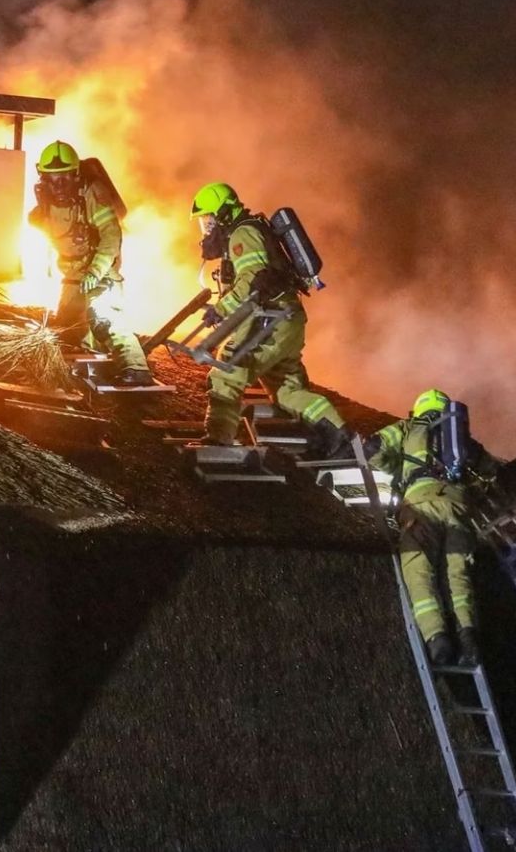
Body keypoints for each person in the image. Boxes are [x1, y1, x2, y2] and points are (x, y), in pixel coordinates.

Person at [191, 181, 348, 454]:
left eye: (209, 219)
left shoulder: (242, 235)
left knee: (227, 371)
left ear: (223, 213)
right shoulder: (252, 229)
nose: (207, 227)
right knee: (288, 391)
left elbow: (253, 279)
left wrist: (222, 309)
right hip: (286, 319)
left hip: (269, 320)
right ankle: (338, 439)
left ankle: (218, 439)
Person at [368, 389, 483, 665]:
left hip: (422, 505)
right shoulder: (460, 438)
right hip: (458, 508)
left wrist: (400, 468)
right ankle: (469, 637)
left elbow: (374, 451)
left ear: (418, 409)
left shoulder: (409, 428)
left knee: (418, 566)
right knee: (458, 573)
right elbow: (487, 471)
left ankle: (437, 637)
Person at [28, 142, 154, 387]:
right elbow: (50, 227)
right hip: (72, 274)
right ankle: (87, 361)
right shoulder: (44, 200)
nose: (59, 186)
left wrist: (96, 271)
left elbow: (111, 235)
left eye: (64, 178)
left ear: (76, 174)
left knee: (103, 317)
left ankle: (137, 368)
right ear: (43, 177)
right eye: (53, 179)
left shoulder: (92, 195)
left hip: (101, 271)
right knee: (67, 326)